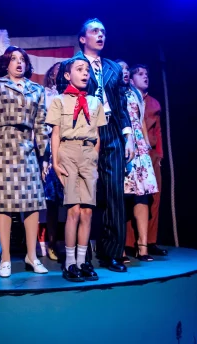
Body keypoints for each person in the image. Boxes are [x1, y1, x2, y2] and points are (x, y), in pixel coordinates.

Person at [57, 18, 135, 272]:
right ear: (83, 38)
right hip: (83, 132)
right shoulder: (72, 66)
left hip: (111, 129)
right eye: (94, 31)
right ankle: (79, 257)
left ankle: (112, 252)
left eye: (103, 31)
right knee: (82, 198)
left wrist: (128, 134)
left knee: (114, 193)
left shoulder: (112, 67)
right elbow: (64, 101)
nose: (100, 35)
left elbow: (121, 102)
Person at [0, 46, 49, 278]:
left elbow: (41, 124)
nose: (18, 63)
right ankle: (7, 258)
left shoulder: (37, 89)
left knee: (32, 202)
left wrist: (44, 156)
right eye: (13, 59)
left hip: (28, 148)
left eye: (22, 59)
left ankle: (32, 255)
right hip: (3, 147)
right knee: (3, 203)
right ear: (6, 63)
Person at [47, 55, 106, 281]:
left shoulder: (95, 102)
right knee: (73, 209)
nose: (84, 73)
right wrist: (55, 161)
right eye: (79, 69)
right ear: (67, 75)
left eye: (87, 70)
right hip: (68, 151)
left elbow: (98, 136)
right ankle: (69, 262)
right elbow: (55, 134)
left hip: (88, 153)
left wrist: (94, 156)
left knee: (88, 211)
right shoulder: (59, 101)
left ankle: (82, 261)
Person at [117, 60, 158, 262]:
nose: (125, 72)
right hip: (121, 147)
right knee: (123, 197)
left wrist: (146, 144)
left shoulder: (134, 93)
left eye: (127, 69)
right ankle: (121, 248)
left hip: (139, 148)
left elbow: (140, 118)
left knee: (142, 196)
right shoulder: (113, 92)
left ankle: (143, 247)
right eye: (121, 69)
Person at [128, 64, 168, 257]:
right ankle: (129, 243)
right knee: (132, 196)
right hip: (132, 151)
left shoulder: (154, 103)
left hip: (150, 154)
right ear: (131, 78)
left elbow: (158, 131)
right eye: (140, 74)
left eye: (147, 74)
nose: (145, 77)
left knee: (154, 197)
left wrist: (159, 154)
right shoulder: (127, 97)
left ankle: (149, 241)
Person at [39, 62, 62, 261]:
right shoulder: (45, 94)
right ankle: (52, 242)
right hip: (51, 150)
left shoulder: (75, 94)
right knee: (52, 201)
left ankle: (77, 247)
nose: (60, 74)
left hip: (73, 149)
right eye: (56, 72)